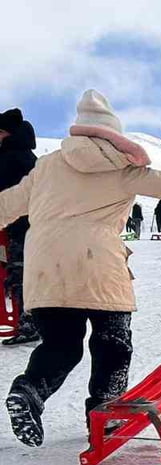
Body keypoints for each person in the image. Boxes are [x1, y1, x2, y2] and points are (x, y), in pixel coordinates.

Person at [0, 89, 161, 447]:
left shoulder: (47, 165)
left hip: (45, 267)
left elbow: (6, 205)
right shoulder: (122, 166)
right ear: (113, 132)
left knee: (61, 344)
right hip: (98, 265)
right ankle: (106, 413)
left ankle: (29, 391)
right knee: (113, 342)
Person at [0, 108, 39, 346]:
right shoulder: (26, 156)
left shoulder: (12, 157)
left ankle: (29, 323)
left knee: (20, 272)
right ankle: (30, 321)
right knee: (25, 272)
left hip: (20, 225)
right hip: (28, 225)